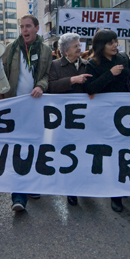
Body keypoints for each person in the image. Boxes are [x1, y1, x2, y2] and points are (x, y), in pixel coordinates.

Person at [2, 14, 53, 212]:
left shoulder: (46, 50)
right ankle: (18, 195)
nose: (24, 30)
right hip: (15, 108)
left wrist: (41, 85)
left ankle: (33, 184)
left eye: (28, 26)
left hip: (36, 108)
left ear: (37, 28)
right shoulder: (11, 49)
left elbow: (48, 75)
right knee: (17, 150)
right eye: (22, 26)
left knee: (34, 148)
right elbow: (2, 73)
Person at [84, 29, 130, 213]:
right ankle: (113, 193)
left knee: (122, 152)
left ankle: (120, 189)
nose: (115, 45)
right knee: (108, 153)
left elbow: (129, 80)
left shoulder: (123, 58)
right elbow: (90, 88)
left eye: (115, 42)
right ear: (100, 45)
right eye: (110, 42)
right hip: (103, 116)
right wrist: (110, 74)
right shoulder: (92, 64)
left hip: (125, 115)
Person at [48, 33, 91, 206]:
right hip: (64, 118)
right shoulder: (55, 66)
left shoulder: (87, 65)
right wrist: (73, 80)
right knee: (68, 154)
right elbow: (51, 86)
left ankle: (84, 185)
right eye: (75, 46)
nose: (79, 48)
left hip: (84, 117)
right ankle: (71, 189)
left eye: (79, 45)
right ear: (65, 50)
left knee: (84, 151)